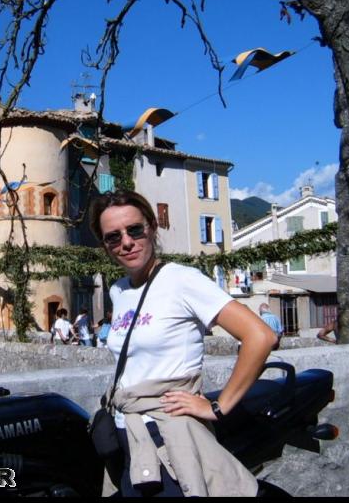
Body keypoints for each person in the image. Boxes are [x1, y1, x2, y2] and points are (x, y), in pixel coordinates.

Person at [89, 190, 277, 497]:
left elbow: (260, 336)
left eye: (135, 230)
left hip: (169, 435)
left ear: (151, 227)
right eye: (113, 237)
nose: (126, 242)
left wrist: (219, 405)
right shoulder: (118, 291)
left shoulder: (181, 280)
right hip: (128, 436)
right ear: (105, 245)